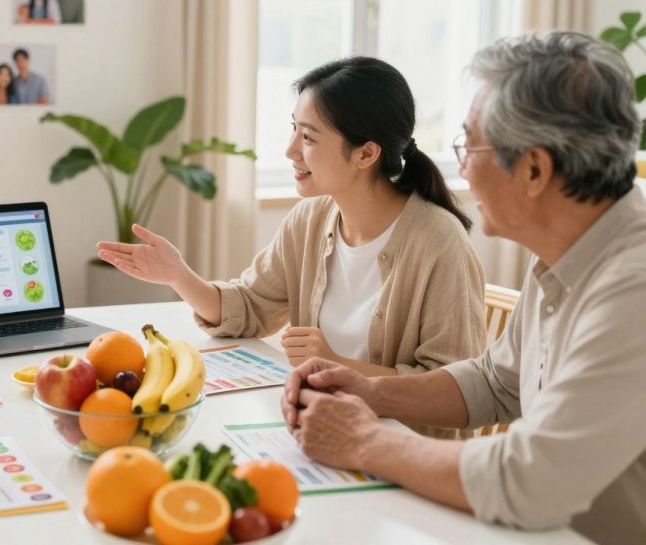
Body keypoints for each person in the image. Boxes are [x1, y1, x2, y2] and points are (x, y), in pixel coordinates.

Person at [282, 31, 646, 545]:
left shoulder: (634, 289)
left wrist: (363, 440)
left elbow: (532, 478)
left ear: (535, 169)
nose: (462, 170)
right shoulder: (567, 254)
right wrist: (369, 389)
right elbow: (497, 383)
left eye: (470, 146)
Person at [97, 57, 486, 386]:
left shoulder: (438, 242)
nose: (289, 150)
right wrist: (178, 275)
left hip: (400, 453)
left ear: (366, 154)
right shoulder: (310, 220)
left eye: (309, 138)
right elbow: (249, 307)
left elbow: (452, 390)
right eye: (293, 130)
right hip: (317, 429)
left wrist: (336, 365)